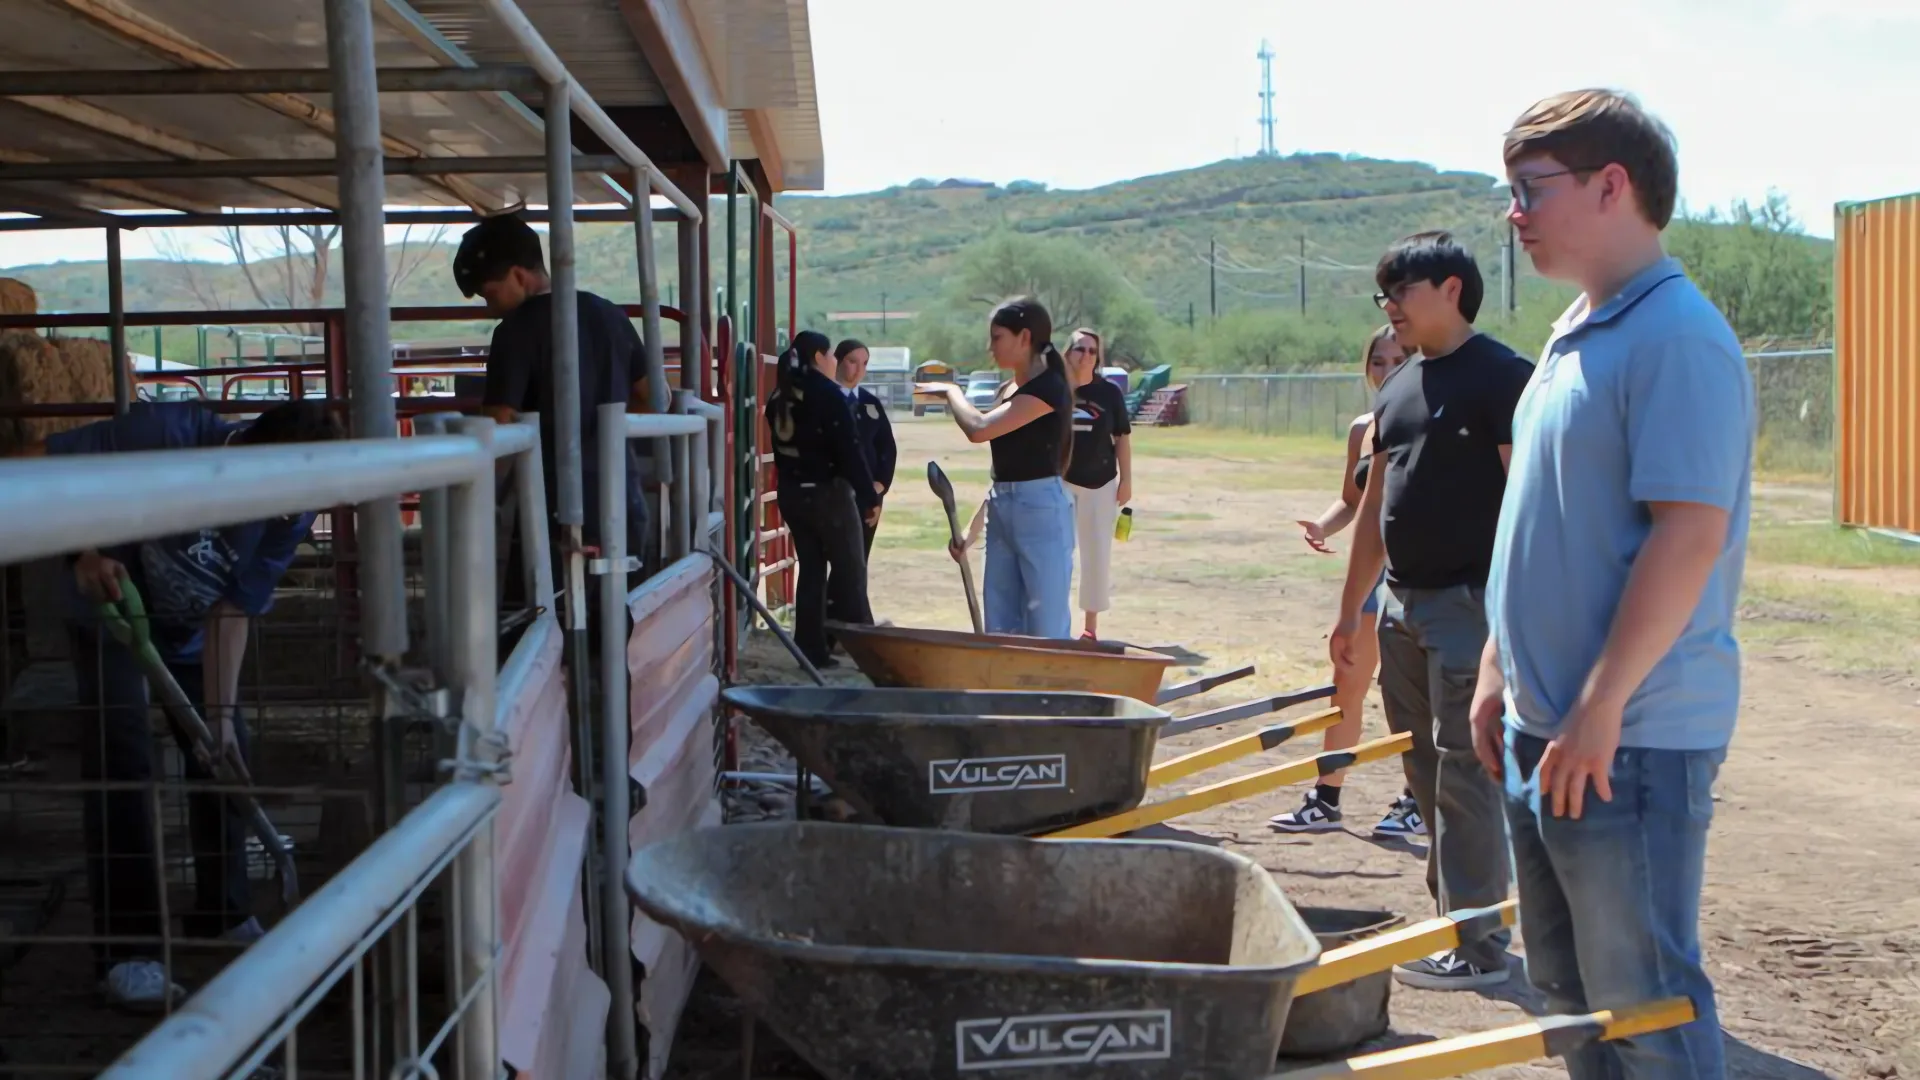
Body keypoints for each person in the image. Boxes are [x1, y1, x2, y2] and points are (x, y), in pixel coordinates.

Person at [1481, 90, 1752, 1079]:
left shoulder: (1676, 338)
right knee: (1571, 998)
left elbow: (1687, 541)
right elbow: (1541, 519)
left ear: (1611, 186)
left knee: (1645, 1009)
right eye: (1508, 190)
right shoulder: (1575, 332)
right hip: (1546, 727)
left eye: (1530, 189)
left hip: (1622, 742)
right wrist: (1495, 666)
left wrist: (1599, 706)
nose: (1515, 212)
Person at [10, 400, 342, 1010]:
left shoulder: (293, 506)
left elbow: (235, 606)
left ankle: (223, 911)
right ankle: (126, 951)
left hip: (194, 629)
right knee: (124, 758)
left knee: (224, 747)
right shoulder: (169, 432)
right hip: (115, 604)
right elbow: (41, 467)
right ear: (242, 453)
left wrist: (215, 719)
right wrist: (82, 548)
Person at [1329, 231, 1534, 991]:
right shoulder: (1399, 386)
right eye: (1383, 296)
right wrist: (1351, 611)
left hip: (1470, 608)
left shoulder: (1505, 379)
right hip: (1401, 608)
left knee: (1464, 775)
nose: (1390, 309)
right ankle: (1456, 918)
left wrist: (1512, 626)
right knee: (1423, 772)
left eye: (1400, 293)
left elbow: (1530, 510)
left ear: (1451, 289)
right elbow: (1376, 502)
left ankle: (1479, 944)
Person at [1270, 325, 1424, 838]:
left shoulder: (1426, 417)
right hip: (1371, 572)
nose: (1386, 370)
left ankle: (1416, 798)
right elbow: (1353, 500)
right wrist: (1322, 524)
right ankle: (1327, 797)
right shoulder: (1363, 427)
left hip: (1413, 572)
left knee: (1406, 693)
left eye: (1399, 359)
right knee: (1348, 684)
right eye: (1378, 361)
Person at [454, 212, 651, 584]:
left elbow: (499, 427)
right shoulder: (609, 314)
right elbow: (656, 398)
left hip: (551, 507)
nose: (489, 308)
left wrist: (477, 499)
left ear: (518, 275)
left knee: (542, 622)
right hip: (621, 500)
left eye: (490, 294)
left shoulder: (514, 331)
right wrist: (602, 434)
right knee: (616, 618)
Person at [920, 297, 1075, 639]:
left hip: (1041, 509)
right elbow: (1004, 474)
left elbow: (979, 428)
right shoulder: (1009, 389)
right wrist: (971, 533)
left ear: (1024, 337)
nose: (991, 347)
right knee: (1002, 623)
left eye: (997, 337)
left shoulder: (1048, 388)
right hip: (1004, 506)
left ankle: (1055, 691)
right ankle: (1008, 691)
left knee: (1046, 625)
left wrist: (951, 392)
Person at [766, 330, 879, 668]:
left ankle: (810, 649)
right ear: (818, 356)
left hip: (792, 493)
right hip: (828, 493)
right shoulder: (828, 395)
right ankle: (871, 651)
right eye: (831, 355)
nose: (833, 362)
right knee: (850, 571)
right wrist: (868, 494)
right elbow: (849, 450)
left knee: (812, 570)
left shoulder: (780, 395)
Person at [1061, 329, 1131, 640]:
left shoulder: (1109, 393)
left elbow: (1122, 438)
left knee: (1096, 555)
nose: (1086, 355)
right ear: (1068, 353)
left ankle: (1090, 628)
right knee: (1057, 553)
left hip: (1100, 483)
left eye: (1092, 351)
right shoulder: (1057, 389)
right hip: (1060, 482)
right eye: (1080, 349)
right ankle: (1054, 622)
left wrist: (1126, 479)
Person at [833, 337, 897, 556]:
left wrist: (879, 487)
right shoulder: (824, 400)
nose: (859, 369)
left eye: (865, 363)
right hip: (833, 496)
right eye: (852, 361)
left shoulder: (870, 403)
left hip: (867, 497)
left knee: (859, 560)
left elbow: (887, 447)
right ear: (837, 361)